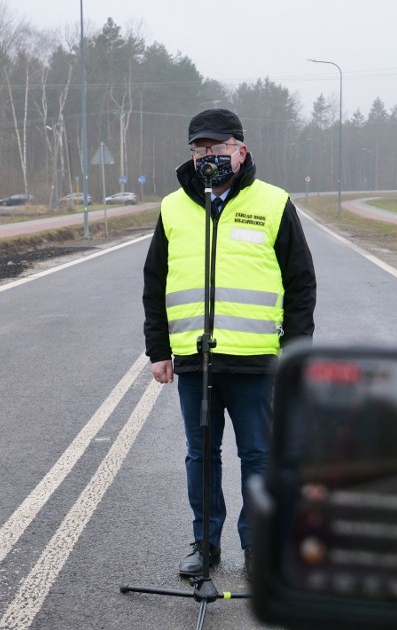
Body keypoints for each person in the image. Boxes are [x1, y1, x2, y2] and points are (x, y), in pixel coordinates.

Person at [142, 108, 317, 580]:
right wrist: (158, 349)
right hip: (195, 361)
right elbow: (155, 281)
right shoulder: (173, 207)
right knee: (201, 457)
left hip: (257, 361)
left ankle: (258, 546)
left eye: (216, 149)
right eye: (198, 150)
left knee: (259, 456)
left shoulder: (275, 203)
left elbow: (301, 283)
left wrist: (297, 352)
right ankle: (205, 544)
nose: (207, 158)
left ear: (240, 151)